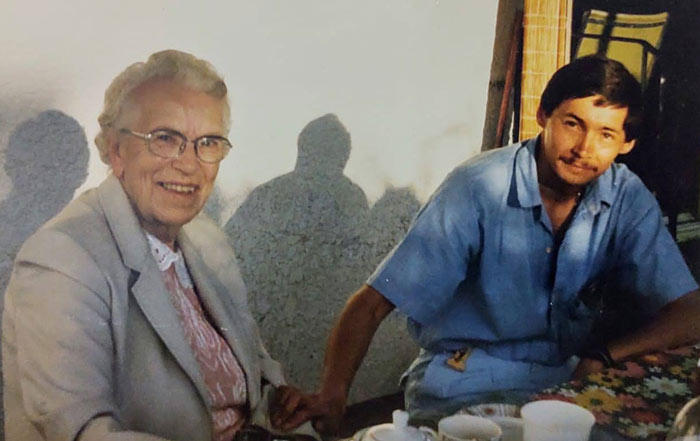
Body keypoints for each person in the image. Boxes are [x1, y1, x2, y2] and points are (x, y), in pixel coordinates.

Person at [270, 56, 700, 433]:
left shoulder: (625, 196)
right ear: (543, 115)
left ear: (626, 144)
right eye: (573, 124)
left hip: (563, 381)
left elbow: (690, 313)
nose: (585, 148)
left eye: (606, 134)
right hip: (464, 375)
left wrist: (607, 353)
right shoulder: (479, 186)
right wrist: (332, 395)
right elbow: (371, 302)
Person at [2, 50, 316, 441]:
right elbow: (85, 433)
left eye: (208, 142)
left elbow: (254, 361)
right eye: (166, 139)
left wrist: (279, 396)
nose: (188, 164)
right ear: (116, 151)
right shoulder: (63, 259)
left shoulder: (205, 239)